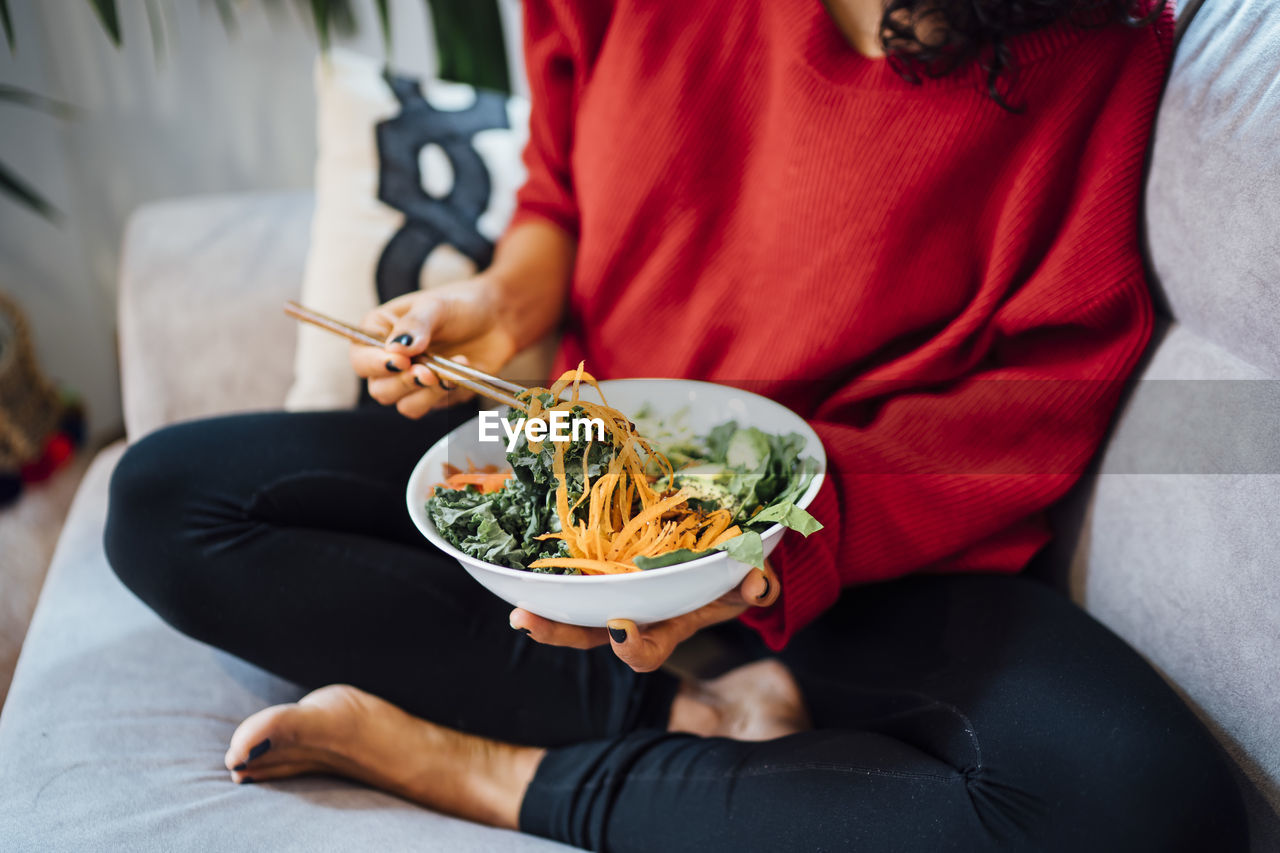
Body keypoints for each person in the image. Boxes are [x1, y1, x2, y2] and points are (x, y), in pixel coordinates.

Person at [104, 0, 1249, 850]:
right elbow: (559, 191)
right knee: (167, 501)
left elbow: (1029, 396)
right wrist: (498, 305)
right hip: (585, 488)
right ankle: (692, 705)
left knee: (1147, 805)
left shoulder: (1093, 39)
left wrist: (761, 564)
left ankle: (486, 771)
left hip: (857, 548)